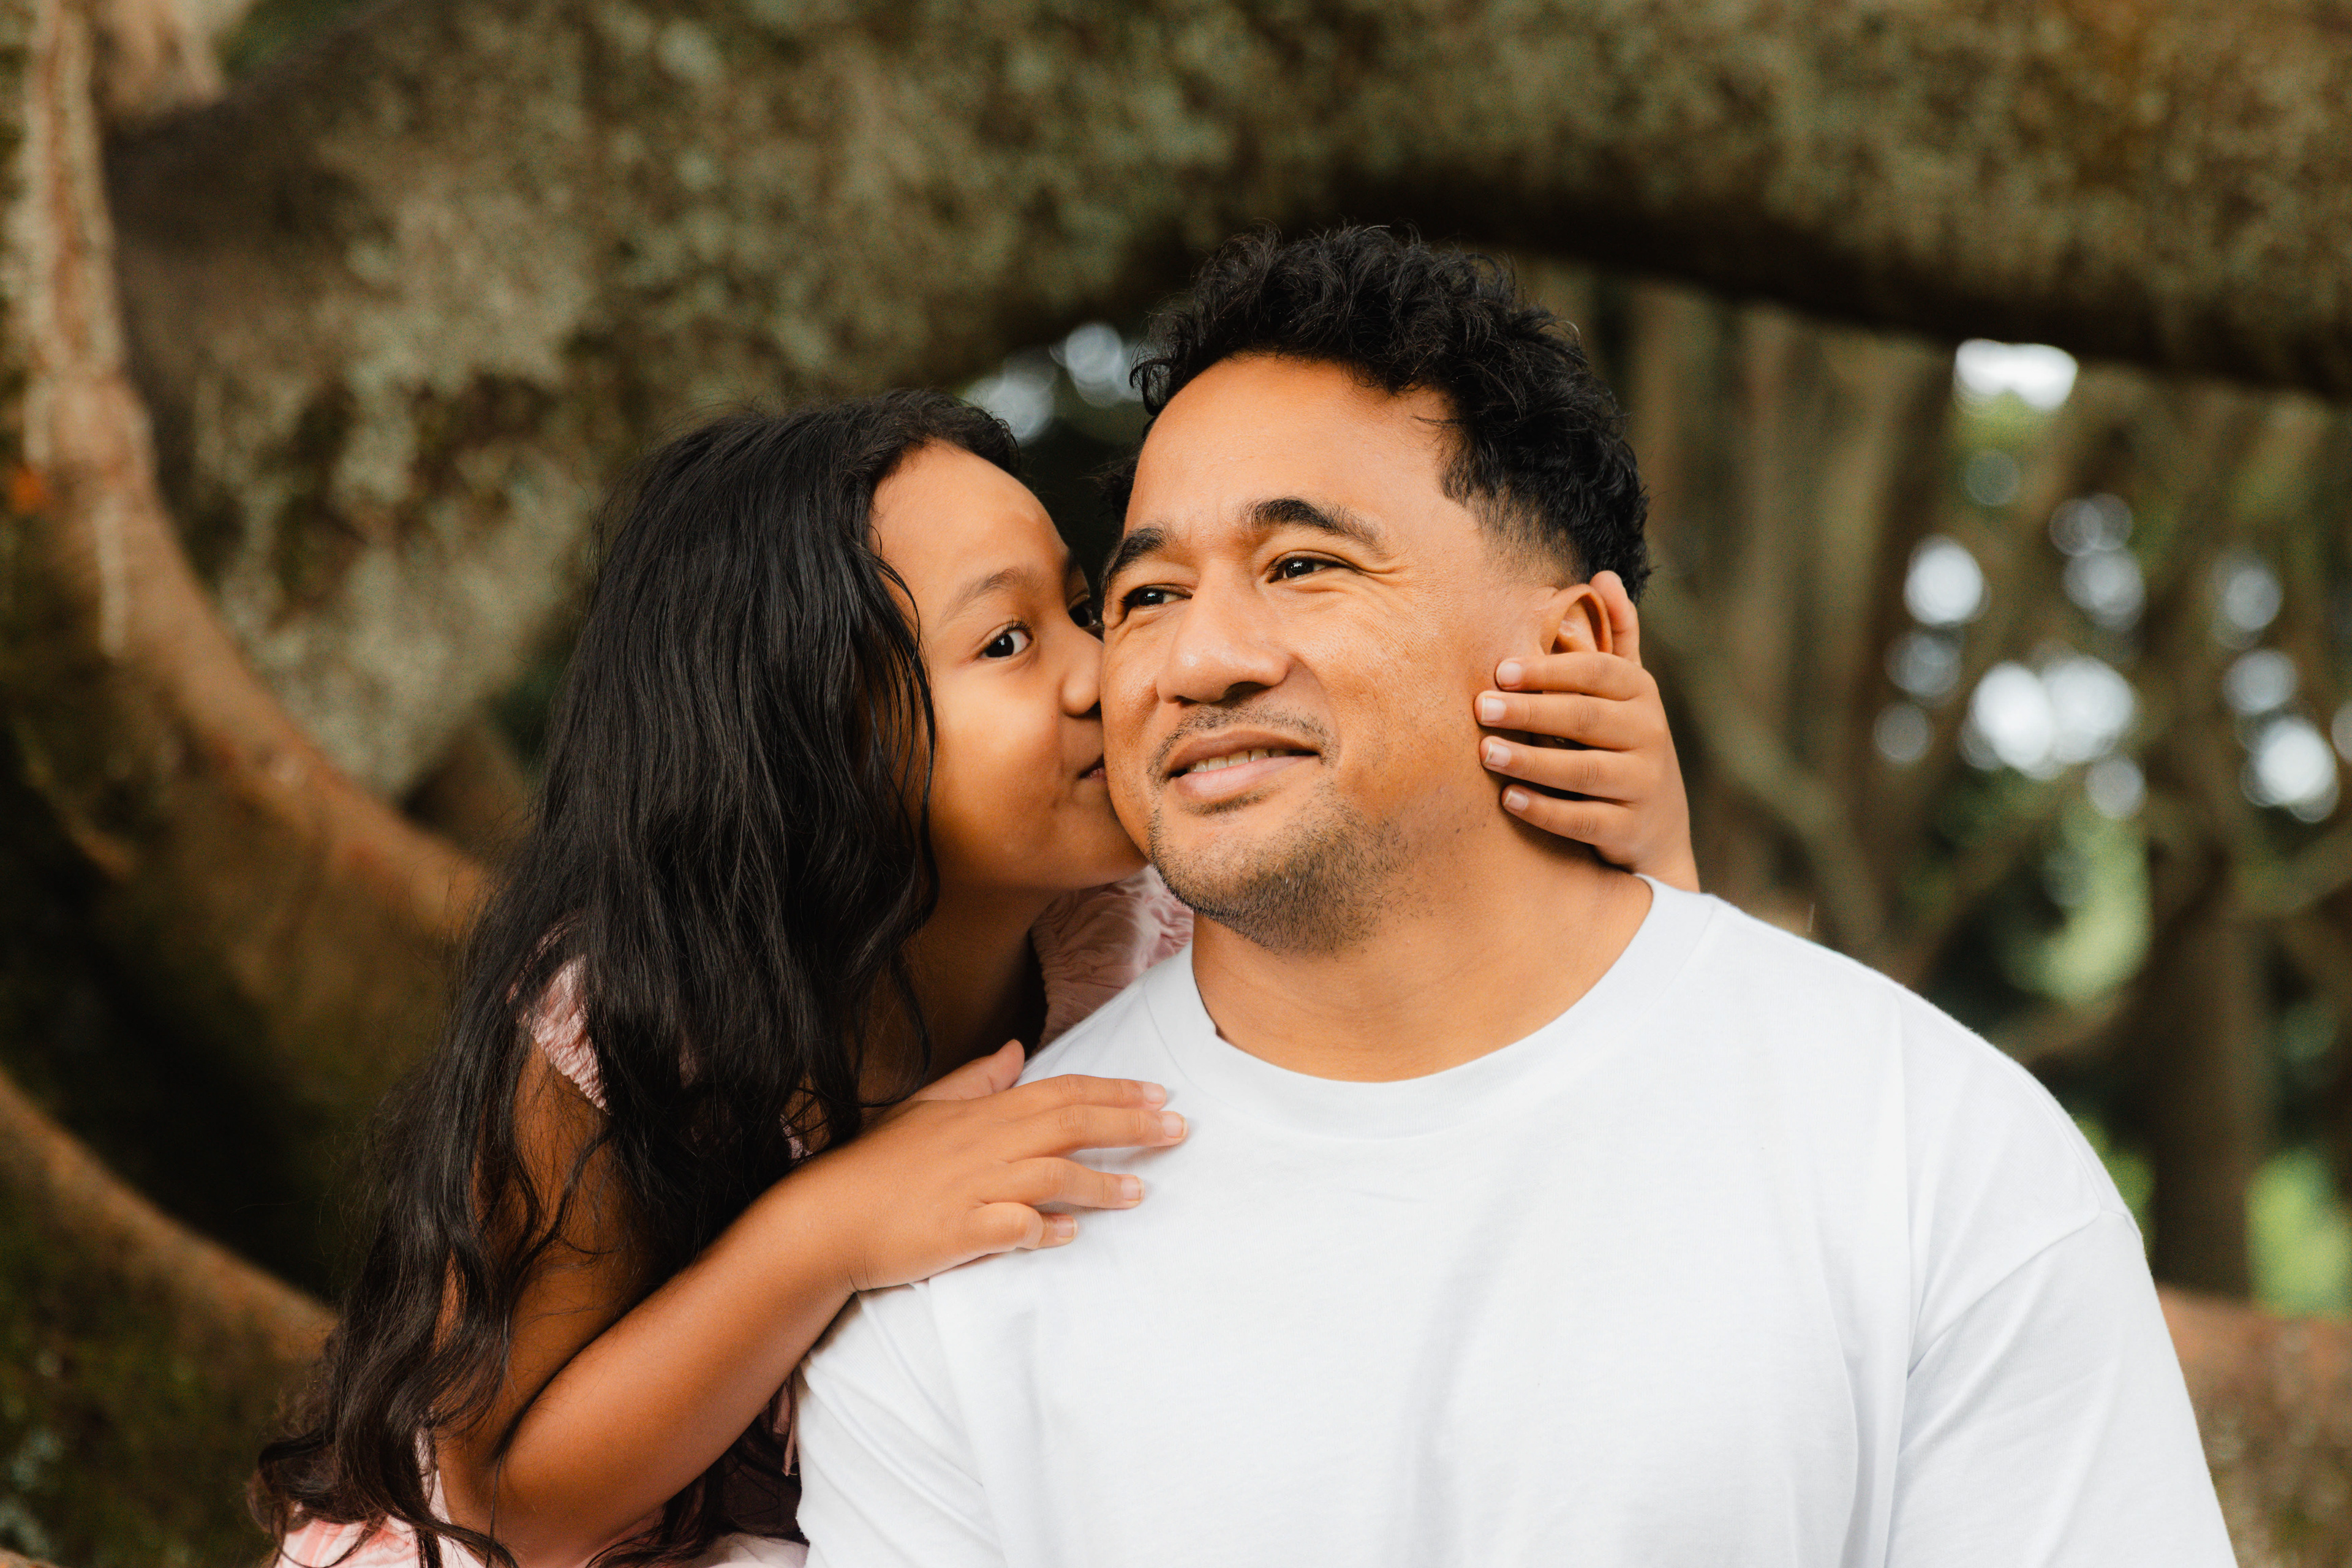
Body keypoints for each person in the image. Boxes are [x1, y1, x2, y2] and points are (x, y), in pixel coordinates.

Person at [791, 229, 2235, 1567]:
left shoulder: (1928, 1159)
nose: (1198, 659)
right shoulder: (962, 1263)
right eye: (1151, 593)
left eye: (1302, 564)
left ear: (1580, 641)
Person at [257, 383, 1697, 1568]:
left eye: (1087, 607)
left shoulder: (1151, 925)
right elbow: (517, 1504)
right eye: (1007, 640)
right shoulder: (635, 1016)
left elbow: (1541, 1080)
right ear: (801, 742)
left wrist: (1646, 851)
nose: (1102, 674)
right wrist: (826, 1230)